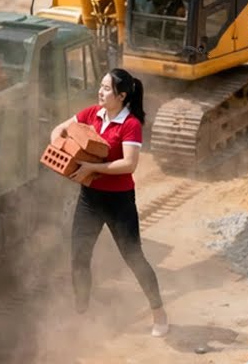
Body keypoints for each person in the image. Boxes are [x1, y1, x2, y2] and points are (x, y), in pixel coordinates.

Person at [51, 68, 169, 337]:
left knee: (134, 257)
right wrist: (61, 148)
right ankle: (82, 313)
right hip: (89, 199)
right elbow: (59, 129)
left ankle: (159, 313)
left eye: (106, 88)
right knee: (79, 256)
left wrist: (92, 167)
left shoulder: (130, 124)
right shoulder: (92, 114)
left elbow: (129, 164)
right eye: (101, 86)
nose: (100, 92)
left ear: (122, 96)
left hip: (119, 202)